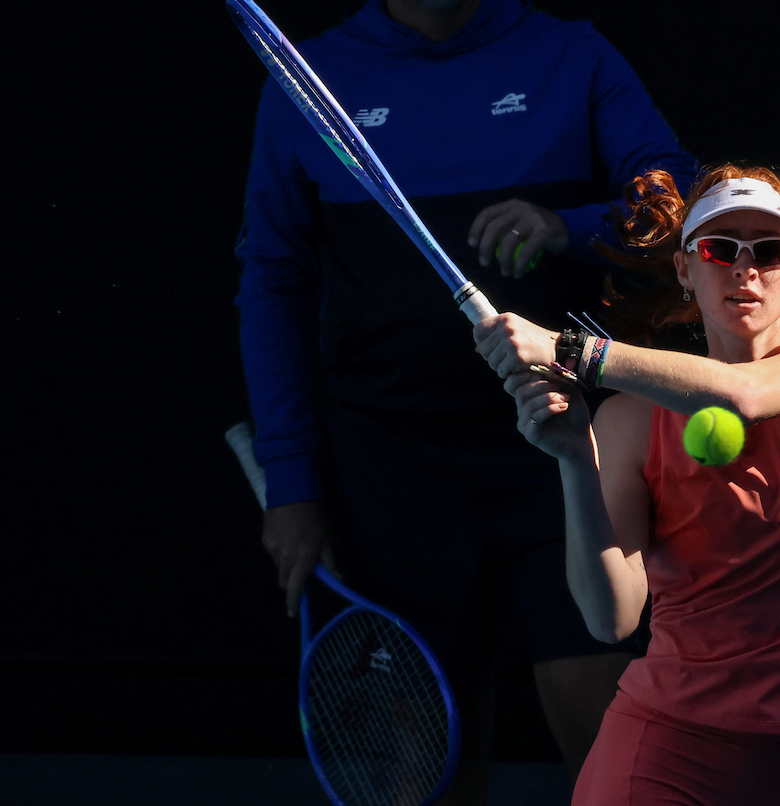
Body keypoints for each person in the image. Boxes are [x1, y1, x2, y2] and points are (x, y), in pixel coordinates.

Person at [234, 0, 696, 801]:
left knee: (609, 736)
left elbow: (681, 203)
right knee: (425, 761)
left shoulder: (571, 56)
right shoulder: (308, 79)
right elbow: (272, 280)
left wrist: (569, 224)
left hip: (562, 452)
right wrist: (293, 481)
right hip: (390, 467)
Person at [473, 164, 780, 806]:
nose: (746, 268)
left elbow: (744, 395)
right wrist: (577, 460)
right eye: (721, 248)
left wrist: (567, 349)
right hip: (660, 756)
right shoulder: (630, 419)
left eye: (769, 250)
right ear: (687, 269)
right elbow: (612, 618)